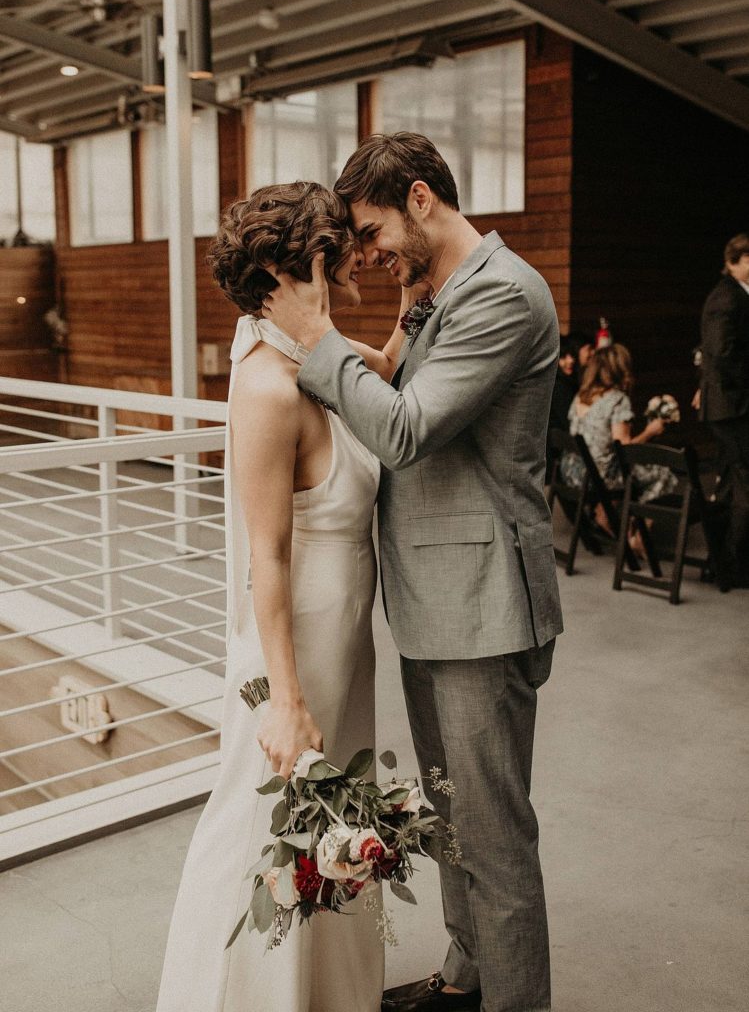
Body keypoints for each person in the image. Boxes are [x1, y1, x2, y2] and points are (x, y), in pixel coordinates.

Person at [264, 132, 563, 1012]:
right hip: (437, 603)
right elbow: (391, 379)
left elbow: (401, 428)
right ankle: (467, 981)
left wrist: (315, 336)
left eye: (372, 231)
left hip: (484, 608)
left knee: (495, 838)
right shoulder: (440, 291)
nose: (368, 253)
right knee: (451, 821)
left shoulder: (503, 294)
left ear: (421, 200)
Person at [156, 182, 405, 1012]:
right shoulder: (268, 388)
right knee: (261, 831)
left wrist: (418, 281)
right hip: (290, 655)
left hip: (343, 648)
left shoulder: (319, 357)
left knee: (328, 832)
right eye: (334, 251)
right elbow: (265, 557)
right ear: (284, 267)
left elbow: (391, 375)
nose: (350, 259)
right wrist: (287, 703)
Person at [560, 343, 676, 542]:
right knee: (662, 475)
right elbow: (625, 450)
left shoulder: (581, 395)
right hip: (597, 477)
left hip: (572, 472)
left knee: (615, 465)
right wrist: (650, 431)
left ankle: (605, 511)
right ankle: (639, 536)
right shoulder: (617, 400)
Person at [698, 232, 749, 590]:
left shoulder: (735, 295)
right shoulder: (726, 298)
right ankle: (732, 564)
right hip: (731, 406)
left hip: (731, 404)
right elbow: (721, 352)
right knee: (744, 482)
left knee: (733, 480)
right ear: (736, 260)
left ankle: (721, 561)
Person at [548, 335, 578, 432]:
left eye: (572, 355)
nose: (570, 361)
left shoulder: (567, 382)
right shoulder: (558, 386)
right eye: (563, 356)